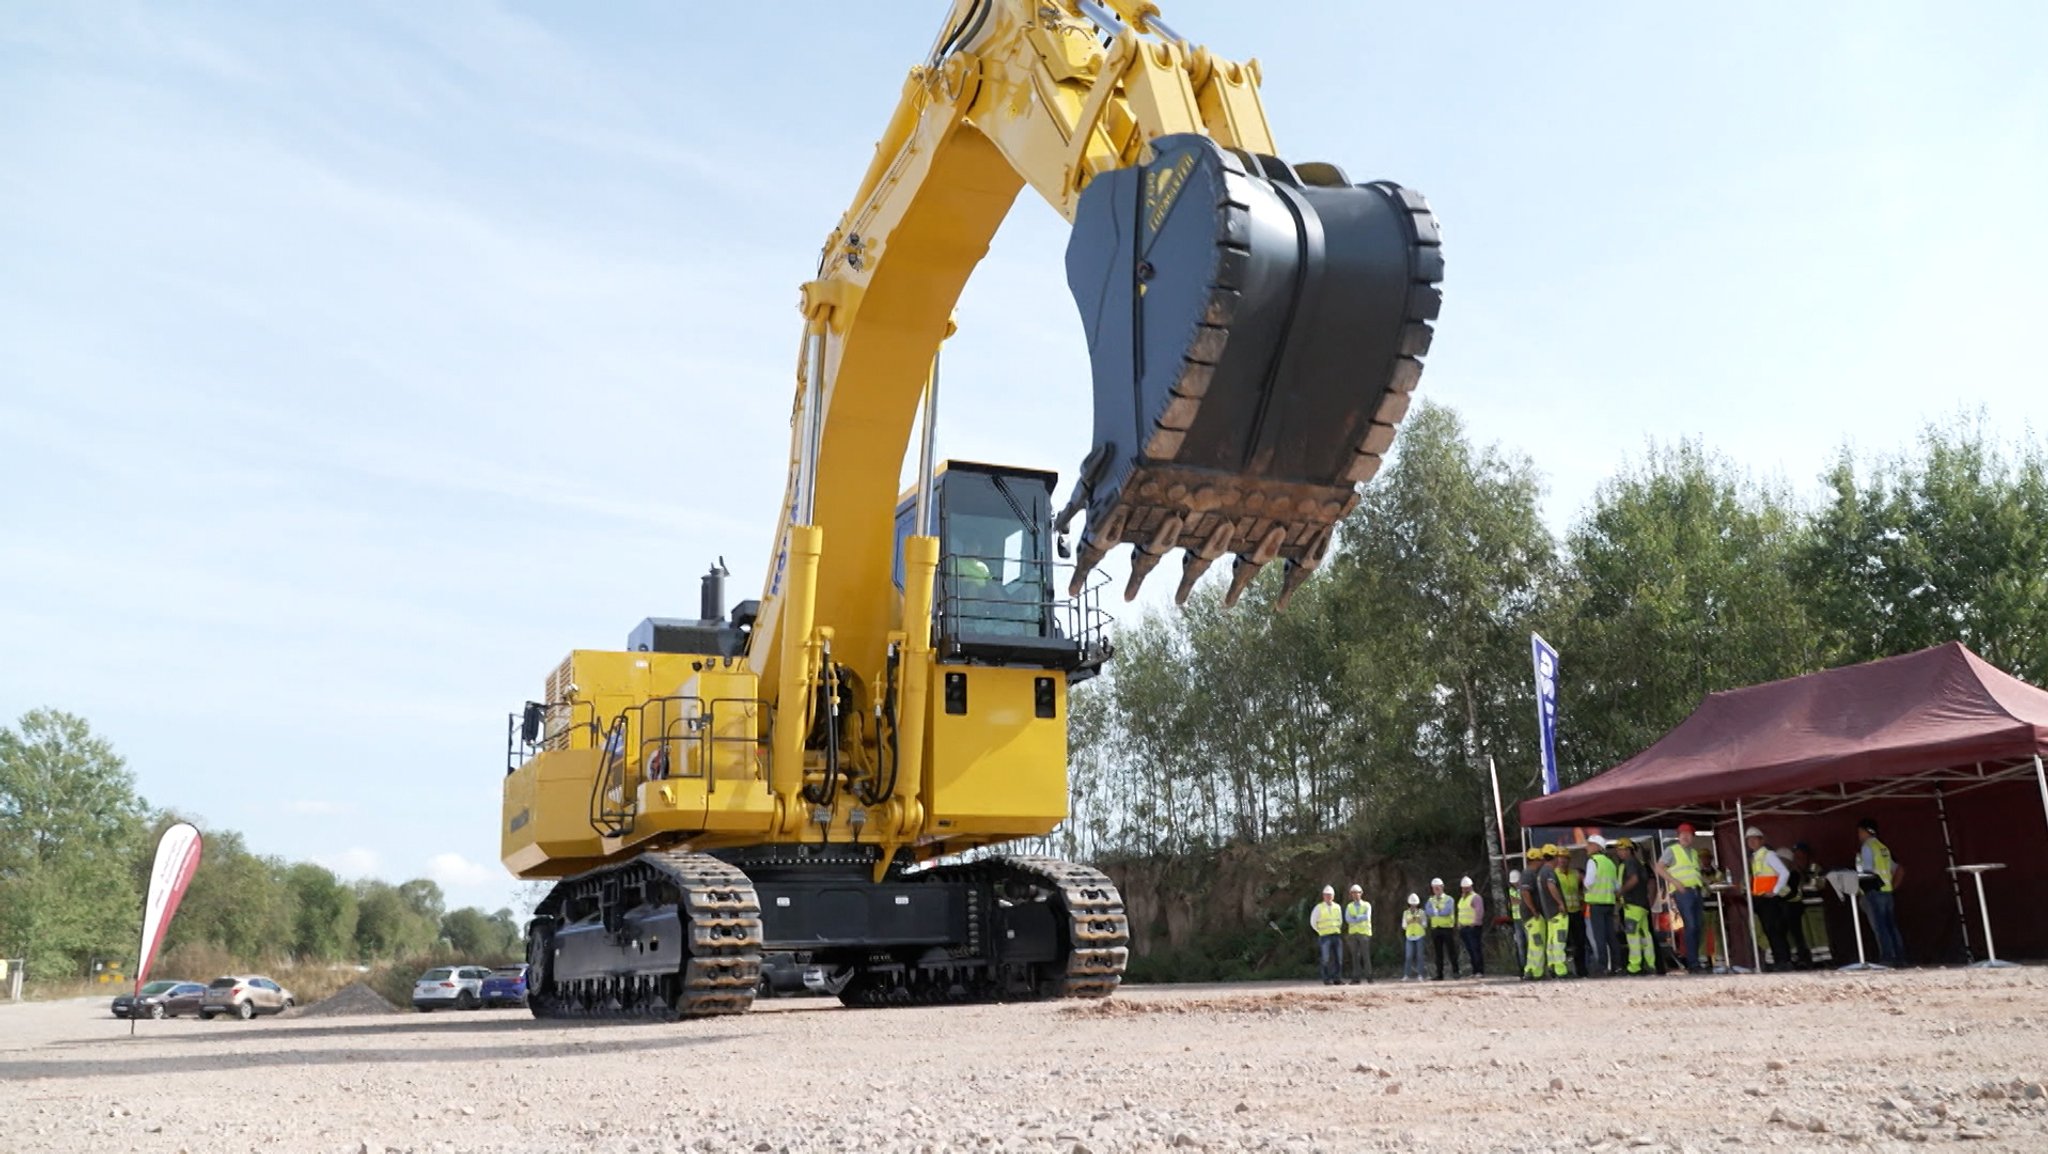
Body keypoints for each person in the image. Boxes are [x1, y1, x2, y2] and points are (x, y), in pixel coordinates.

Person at [1656, 823, 1709, 973]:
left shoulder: (1693, 853)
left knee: (1697, 927)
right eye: (1683, 834)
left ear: (1692, 837)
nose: (1685, 836)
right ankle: (1692, 963)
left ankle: (1694, 960)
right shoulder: (1672, 850)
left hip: (1696, 891)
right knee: (1691, 926)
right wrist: (1675, 883)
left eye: (1688, 834)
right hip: (1683, 892)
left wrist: (1705, 884)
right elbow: (1659, 867)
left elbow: (1695, 872)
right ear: (1678, 836)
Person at [1855, 818, 1907, 967]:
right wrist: (1892, 886)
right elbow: (1896, 868)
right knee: (1891, 925)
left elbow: (1867, 871)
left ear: (1866, 831)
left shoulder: (1867, 846)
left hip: (1874, 891)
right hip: (1887, 892)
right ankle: (1900, 957)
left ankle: (1887, 958)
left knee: (1880, 926)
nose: (1859, 835)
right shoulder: (1882, 847)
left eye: (1860, 831)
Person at [1745, 826, 1795, 971]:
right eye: (1749, 840)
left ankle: (1784, 961)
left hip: (1769, 899)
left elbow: (1784, 872)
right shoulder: (1755, 857)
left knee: (1774, 930)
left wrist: (1775, 890)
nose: (1752, 842)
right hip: (1760, 898)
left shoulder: (1768, 855)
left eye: (1755, 839)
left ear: (1761, 840)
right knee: (1769, 931)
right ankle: (1780, 960)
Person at [1614, 838, 1653, 975]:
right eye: (1618, 850)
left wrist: (1620, 892)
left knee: (1632, 936)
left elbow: (1634, 879)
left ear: (1629, 850)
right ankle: (1650, 963)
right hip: (1641, 904)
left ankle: (1634, 966)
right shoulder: (1639, 863)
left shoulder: (1629, 862)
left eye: (1621, 849)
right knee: (1645, 935)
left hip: (1632, 904)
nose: (1619, 852)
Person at [1581, 835, 1619, 977]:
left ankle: (1602, 966)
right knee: (1611, 936)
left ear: (1597, 847)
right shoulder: (1610, 863)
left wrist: (1584, 885)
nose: (1587, 847)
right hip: (1609, 903)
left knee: (1599, 937)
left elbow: (1588, 881)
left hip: (1596, 904)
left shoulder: (1593, 861)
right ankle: (1617, 965)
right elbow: (1617, 885)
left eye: (1590, 844)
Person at [1789, 842, 1829, 966]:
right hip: (1802, 907)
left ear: (1806, 854)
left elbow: (1820, 884)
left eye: (1800, 854)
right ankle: (1815, 960)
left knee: (1819, 933)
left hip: (1815, 906)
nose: (1798, 857)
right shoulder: (1795, 869)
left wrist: (1803, 884)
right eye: (1796, 855)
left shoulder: (1815, 867)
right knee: (1808, 934)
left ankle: (1825, 959)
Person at [1538, 847, 1570, 978]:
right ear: (1555, 857)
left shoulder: (1541, 872)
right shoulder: (1550, 872)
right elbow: (1552, 886)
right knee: (1559, 940)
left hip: (1548, 913)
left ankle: (1552, 966)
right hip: (1556, 912)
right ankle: (1561, 970)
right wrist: (1560, 903)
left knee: (1551, 941)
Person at [1557, 843, 1587, 976]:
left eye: (1565, 858)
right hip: (1563, 913)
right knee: (1563, 942)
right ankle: (1565, 969)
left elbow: (1583, 888)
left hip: (1576, 912)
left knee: (1580, 942)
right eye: (1560, 858)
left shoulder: (1575, 873)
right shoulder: (1554, 874)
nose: (1563, 860)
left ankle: (1581, 970)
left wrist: (1583, 900)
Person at [1424, 878, 1458, 980]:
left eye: (1438, 888)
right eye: (1434, 888)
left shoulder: (1449, 899)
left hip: (1447, 928)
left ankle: (1456, 972)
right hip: (1435, 929)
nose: (1436, 890)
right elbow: (1427, 911)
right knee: (1438, 953)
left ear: (1442, 887)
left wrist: (1435, 912)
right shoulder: (1430, 900)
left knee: (1451, 951)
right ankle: (1439, 974)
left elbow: (1446, 911)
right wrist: (1438, 912)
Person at [1519, 863, 1549, 980]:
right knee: (1538, 944)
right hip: (1533, 916)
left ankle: (1530, 969)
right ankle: (1537, 972)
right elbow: (1525, 892)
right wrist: (1534, 910)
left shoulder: (1527, 874)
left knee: (1533, 945)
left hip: (1529, 916)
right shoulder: (1529, 874)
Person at [1311, 885, 1345, 984]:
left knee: (1338, 959)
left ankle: (1337, 979)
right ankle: (1326, 979)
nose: (1328, 897)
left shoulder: (1337, 907)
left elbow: (1340, 920)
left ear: (1333, 896)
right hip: (1325, 936)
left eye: (1330, 895)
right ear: (1323, 896)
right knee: (1326, 959)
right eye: (1326, 895)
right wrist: (1319, 930)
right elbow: (1313, 922)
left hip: (1336, 935)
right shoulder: (1319, 907)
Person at [1343, 884, 1374, 984]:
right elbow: (1348, 919)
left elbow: (1367, 917)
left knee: (1366, 956)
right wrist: (1360, 917)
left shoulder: (1367, 905)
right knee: (1355, 956)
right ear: (1351, 894)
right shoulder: (1349, 906)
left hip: (1364, 933)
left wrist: (1355, 917)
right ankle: (1356, 978)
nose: (1355, 894)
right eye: (1353, 893)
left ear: (1361, 893)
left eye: (1357, 892)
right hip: (1353, 934)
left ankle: (1369, 977)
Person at [1455, 876, 1485, 977]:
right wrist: (1459, 923)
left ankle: (1479, 971)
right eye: (1464, 888)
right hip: (1464, 927)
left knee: (1476, 949)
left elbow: (1479, 911)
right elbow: (1461, 912)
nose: (1465, 889)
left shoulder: (1475, 897)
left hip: (1473, 927)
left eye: (1467, 887)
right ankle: (1474, 971)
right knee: (1470, 950)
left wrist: (1475, 922)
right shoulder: (1462, 899)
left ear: (1470, 887)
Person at [1400, 894, 1427, 981]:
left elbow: (1425, 924)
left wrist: (1419, 921)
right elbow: (1403, 926)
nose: (1413, 906)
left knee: (1420, 956)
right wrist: (1409, 922)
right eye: (1412, 904)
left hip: (1419, 936)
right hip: (1409, 936)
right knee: (1408, 956)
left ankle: (1420, 975)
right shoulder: (1406, 913)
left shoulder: (1422, 912)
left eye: (1415, 904)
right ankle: (1406, 975)